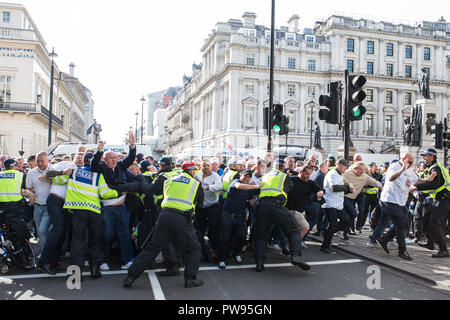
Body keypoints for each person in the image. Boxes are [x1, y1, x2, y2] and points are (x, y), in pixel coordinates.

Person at [123, 161, 205, 289]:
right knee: (194, 248)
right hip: (182, 218)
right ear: (193, 171)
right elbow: (200, 204)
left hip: (164, 215)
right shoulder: (195, 183)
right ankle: (190, 279)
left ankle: (130, 277)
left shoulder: (169, 180)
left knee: (152, 248)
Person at [52, 153, 120, 279]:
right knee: (95, 241)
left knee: (78, 242)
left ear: (84, 162)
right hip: (94, 211)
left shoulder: (73, 172)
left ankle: (75, 274)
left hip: (78, 211)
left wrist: (62, 173)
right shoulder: (98, 176)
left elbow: (56, 180)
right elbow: (105, 194)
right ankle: (94, 270)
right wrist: (118, 191)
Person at [254, 158, 311, 272]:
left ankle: (259, 262)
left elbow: (257, 192)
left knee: (261, 235)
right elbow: (288, 190)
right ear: (282, 167)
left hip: (263, 206)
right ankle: (295, 255)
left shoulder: (265, 176)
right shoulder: (284, 176)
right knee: (293, 230)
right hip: (277, 206)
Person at [90, 134, 136, 271]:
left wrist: (132, 146)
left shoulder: (121, 166)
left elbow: (130, 159)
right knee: (107, 235)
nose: (114, 160)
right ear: (105, 160)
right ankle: (103, 260)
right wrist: (99, 151)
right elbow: (93, 165)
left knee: (124, 235)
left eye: (115, 158)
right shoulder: (101, 168)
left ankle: (128, 260)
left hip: (122, 208)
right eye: (111, 158)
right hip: (107, 209)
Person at [377, 153, 418, 261]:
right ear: (403, 159)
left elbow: (416, 179)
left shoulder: (409, 169)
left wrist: (428, 180)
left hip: (400, 202)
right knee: (399, 225)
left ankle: (384, 239)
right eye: (409, 162)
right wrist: (402, 169)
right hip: (389, 201)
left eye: (412, 162)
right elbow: (391, 178)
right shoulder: (394, 166)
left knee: (405, 223)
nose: (411, 164)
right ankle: (402, 251)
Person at [218, 170, 263, 269]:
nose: (247, 178)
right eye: (245, 176)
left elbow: (252, 202)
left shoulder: (249, 189)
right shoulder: (236, 182)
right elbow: (239, 186)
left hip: (240, 217)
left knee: (241, 237)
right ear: (241, 175)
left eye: (249, 177)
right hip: (227, 215)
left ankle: (236, 253)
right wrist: (256, 186)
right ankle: (222, 259)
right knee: (225, 238)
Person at [413, 148, 450, 258]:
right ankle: (430, 242)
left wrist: (416, 187)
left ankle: (443, 249)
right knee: (425, 219)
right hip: (436, 198)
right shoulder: (430, 168)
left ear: (432, 157)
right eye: (423, 155)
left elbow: (434, 185)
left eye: (425, 155)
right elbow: (423, 179)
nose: (423, 157)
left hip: (444, 198)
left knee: (435, 223)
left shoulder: (436, 168)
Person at [321, 159, 353, 254]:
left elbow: (340, 188)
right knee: (333, 224)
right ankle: (325, 246)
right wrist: (347, 187)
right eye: (345, 166)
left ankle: (327, 233)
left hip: (338, 204)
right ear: (339, 165)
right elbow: (334, 188)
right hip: (330, 203)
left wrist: (348, 190)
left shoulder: (339, 175)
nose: (346, 168)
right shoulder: (332, 174)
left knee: (347, 220)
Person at [343, 162, 383, 240]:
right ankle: (342, 230)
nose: (362, 171)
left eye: (363, 170)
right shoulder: (347, 173)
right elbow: (338, 177)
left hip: (353, 197)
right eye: (360, 169)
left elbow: (374, 182)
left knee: (349, 216)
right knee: (353, 213)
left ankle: (344, 231)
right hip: (344, 197)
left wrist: (381, 186)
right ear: (355, 169)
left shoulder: (365, 177)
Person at [286, 166, 323, 247]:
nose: (308, 176)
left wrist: (321, 192)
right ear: (300, 172)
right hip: (288, 209)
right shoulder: (292, 180)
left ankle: (289, 246)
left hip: (300, 211)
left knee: (301, 228)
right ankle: (290, 245)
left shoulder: (310, 183)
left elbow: (320, 189)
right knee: (303, 227)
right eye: (306, 174)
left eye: (309, 174)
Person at [25, 152, 53, 254]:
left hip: (50, 206)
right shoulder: (31, 173)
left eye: (42, 161)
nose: (40, 163)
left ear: (47, 160)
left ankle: (47, 254)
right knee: (40, 232)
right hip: (37, 206)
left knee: (42, 230)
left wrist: (50, 179)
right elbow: (28, 188)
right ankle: (43, 253)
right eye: (38, 161)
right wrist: (29, 193)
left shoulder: (53, 170)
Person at [196, 159, 223, 261]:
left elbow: (219, 186)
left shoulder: (215, 175)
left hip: (212, 206)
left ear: (211, 166)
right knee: (199, 230)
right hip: (200, 207)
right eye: (204, 165)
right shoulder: (198, 174)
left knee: (213, 229)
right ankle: (202, 251)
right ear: (201, 166)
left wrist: (206, 187)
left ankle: (214, 250)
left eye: (208, 165)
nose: (206, 167)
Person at [0, 158, 31, 243]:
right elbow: (25, 189)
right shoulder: (20, 175)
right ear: (14, 166)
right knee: (23, 223)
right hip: (15, 206)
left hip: (1, 207)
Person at [358, 162, 382, 233]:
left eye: (372, 166)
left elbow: (376, 184)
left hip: (375, 197)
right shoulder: (366, 175)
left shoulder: (379, 176)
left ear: (375, 167)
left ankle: (372, 227)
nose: (371, 168)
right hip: (366, 196)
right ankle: (360, 226)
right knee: (363, 212)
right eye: (369, 166)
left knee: (373, 213)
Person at [311, 162, 329, 236]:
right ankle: (320, 230)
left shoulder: (320, 174)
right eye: (326, 168)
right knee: (318, 216)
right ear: (322, 168)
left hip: (317, 199)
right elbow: (320, 188)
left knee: (320, 215)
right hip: (318, 199)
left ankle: (319, 230)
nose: (327, 169)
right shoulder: (321, 176)